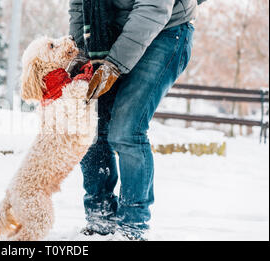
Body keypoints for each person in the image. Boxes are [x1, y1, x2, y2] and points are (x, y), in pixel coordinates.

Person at [68, 0, 206, 240]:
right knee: (91, 125)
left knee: (126, 129)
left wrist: (114, 66)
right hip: (110, 31)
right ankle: (99, 219)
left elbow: (153, 8)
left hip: (166, 30)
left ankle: (132, 227)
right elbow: (79, 6)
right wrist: (80, 56)